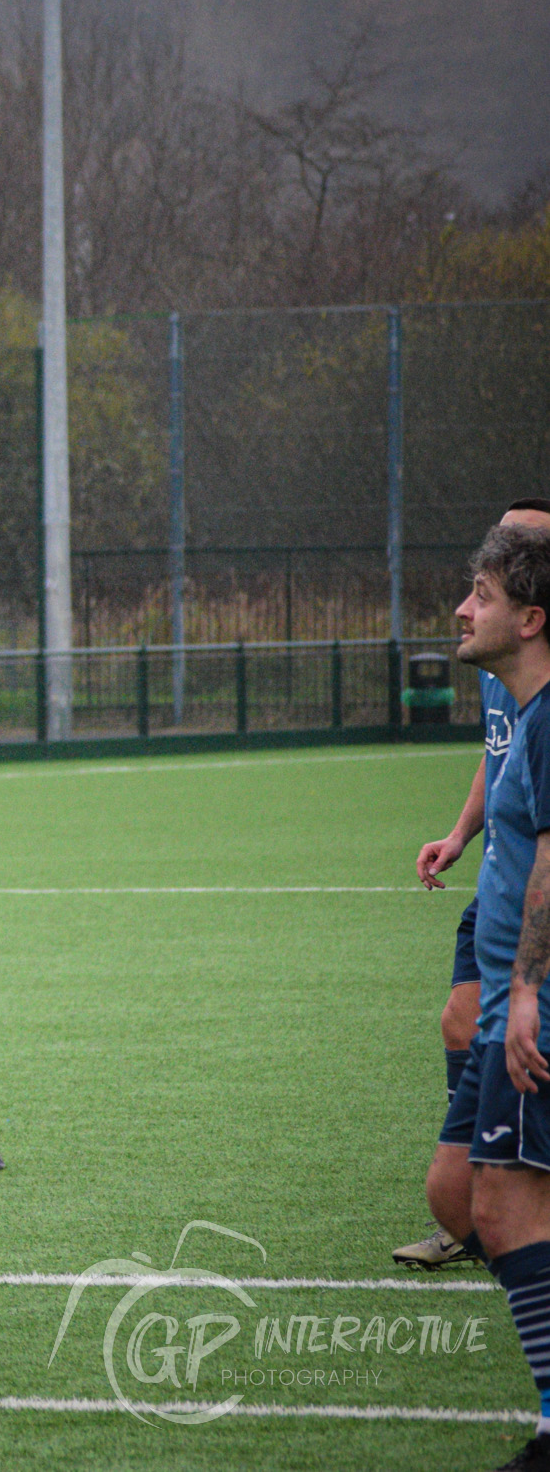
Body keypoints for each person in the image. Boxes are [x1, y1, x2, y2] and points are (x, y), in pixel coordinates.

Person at [412, 524, 550, 1470]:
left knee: (499, 1209)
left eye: (482, 596)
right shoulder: (525, 718)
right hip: (512, 1001)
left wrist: (529, 988)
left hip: (531, 1007)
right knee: (471, 1199)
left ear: (530, 618)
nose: (463, 610)